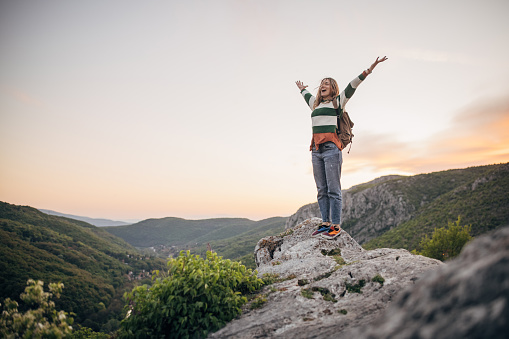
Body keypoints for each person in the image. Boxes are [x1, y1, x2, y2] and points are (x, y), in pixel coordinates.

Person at [295, 56, 388, 239]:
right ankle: (325, 223)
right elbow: (306, 95)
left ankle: (335, 225)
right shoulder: (315, 105)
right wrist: (302, 89)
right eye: (322, 83)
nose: (323, 85)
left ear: (333, 88)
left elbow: (352, 86)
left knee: (333, 188)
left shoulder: (338, 102)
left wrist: (368, 70)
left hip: (331, 149)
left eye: (327, 83)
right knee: (321, 189)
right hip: (316, 150)